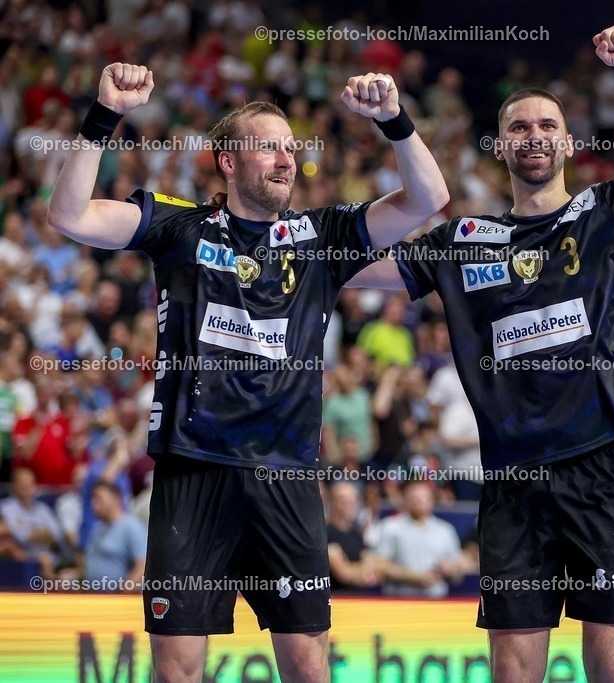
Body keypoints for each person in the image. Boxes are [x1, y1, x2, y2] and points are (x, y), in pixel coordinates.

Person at [46, 62, 448, 683]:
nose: (286, 158)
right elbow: (69, 215)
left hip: (284, 475)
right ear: (228, 162)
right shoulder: (179, 226)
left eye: (291, 148)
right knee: (177, 669)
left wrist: (392, 119)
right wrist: (104, 117)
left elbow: (428, 199)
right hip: (193, 468)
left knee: (308, 666)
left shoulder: (322, 237)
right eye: (268, 147)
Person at [351, 23, 614, 682]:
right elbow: (348, 268)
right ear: (500, 146)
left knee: (610, 665)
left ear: (569, 142)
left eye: (548, 124)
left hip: (606, 471)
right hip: (514, 482)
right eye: (520, 127)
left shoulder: (609, 211)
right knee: (514, 671)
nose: (535, 135)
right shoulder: (465, 240)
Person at [82, 480, 147, 589]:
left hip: (117, 602)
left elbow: (142, 567)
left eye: (98, 498)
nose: (94, 504)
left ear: (115, 498)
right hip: (94, 599)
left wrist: (123, 595)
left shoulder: (131, 527)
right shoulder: (99, 528)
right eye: (93, 499)